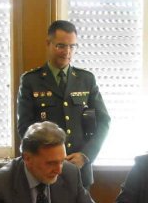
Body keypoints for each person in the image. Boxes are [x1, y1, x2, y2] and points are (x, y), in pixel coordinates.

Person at [17, 20, 111, 190]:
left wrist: (86, 155)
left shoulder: (86, 79)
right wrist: (45, 158)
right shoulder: (31, 80)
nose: (67, 52)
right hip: (44, 171)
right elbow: (25, 127)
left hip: (80, 170)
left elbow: (104, 121)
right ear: (48, 43)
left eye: (72, 46)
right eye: (61, 46)